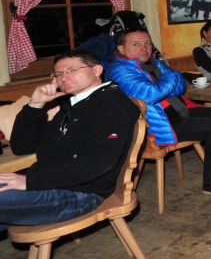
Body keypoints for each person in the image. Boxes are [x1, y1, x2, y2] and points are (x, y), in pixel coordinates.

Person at [0, 50, 140, 229]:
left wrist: (30, 181)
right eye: (59, 74)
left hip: (78, 194)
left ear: (97, 70)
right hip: (51, 183)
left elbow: (101, 160)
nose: (64, 77)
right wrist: (35, 105)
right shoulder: (73, 106)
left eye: (73, 70)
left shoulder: (111, 103)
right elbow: (22, 146)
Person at [107, 30, 211, 196]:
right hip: (156, 125)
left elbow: (181, 85)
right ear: (121, 48)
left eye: (147, 43)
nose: (144, 48)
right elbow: (153, 93)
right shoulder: (119, 71)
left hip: (177, 112)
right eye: (136, 44)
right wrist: (170, 78)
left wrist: (166, 83)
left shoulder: (152, 62)